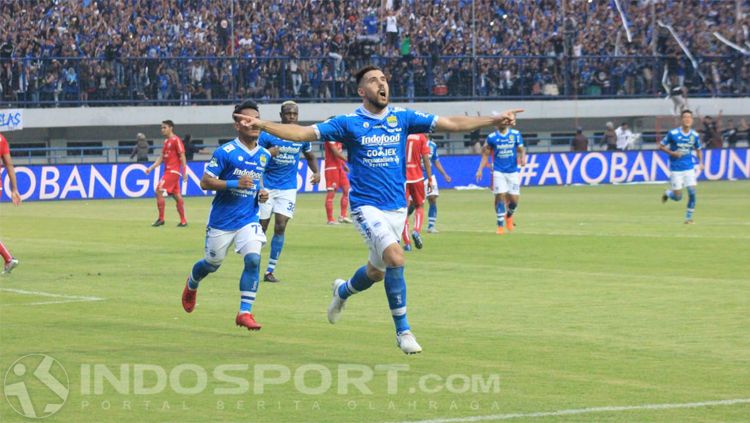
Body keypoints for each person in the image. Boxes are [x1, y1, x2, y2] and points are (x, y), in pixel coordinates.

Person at [233, 65, 522, 354]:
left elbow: (451, 123)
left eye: (383, 79)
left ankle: (342, 291)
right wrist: (263, 125)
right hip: (366, 207)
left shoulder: (402, 117)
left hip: (396, 209)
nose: (381, 84)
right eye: (373, 80)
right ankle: (403, 331)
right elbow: (301, 134)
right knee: (396, 258)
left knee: (376, 272)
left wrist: (494, 119)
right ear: (362, 91)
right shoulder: (348, 123)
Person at [181, 99, 272, 331]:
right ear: (237, 124)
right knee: (212, 264)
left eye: (256, 119)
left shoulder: (263, 155)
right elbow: (205, 182)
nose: (254, 123)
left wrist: (259, 193)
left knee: (253, 259)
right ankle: (192, 283)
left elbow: (256, 179)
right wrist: (235, 183)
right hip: (222, 221)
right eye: (248, 119)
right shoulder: (225, 152)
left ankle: (245, 312)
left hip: (248, 218)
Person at [257, 101, 320, 283]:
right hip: (267, 185)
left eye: (294, 114)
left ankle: (270, 270)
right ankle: (253, 262)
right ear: (281, 115)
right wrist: (269, 153)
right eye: (288, 114)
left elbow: (310, 156)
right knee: (261, 227)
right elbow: (255, 157)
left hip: (288, 187)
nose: (291, 117)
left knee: (281, 226)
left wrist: (316, 172)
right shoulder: (269, 133)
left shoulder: (302, 135)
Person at [475, 115, 526, 235]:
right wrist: (480, 169)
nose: (503, 123)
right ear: (497, 124)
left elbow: (521, 149)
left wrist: (522, 158)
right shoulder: (492, 137)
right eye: (500, 121)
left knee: (514, 200)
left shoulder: (515, 134)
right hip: (498, 171)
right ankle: (500, 226)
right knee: (500, 196)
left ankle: (509, 216)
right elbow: (486, 155)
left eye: (504, 121)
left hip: (512, 171)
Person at [659, 109, 703, 224]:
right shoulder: (673, 134)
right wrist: (672, 153)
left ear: (692, 120)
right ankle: (668, 193)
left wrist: (701, 162)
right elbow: (661, 146)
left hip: (689, 168)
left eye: (689, 117)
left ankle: (688, 218)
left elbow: (698, 149)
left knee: (692, 192)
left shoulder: (694, 135)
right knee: (678, 197)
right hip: (676, 169)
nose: (687, 119)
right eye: (685, 117)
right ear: (681, 119)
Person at [145, 120, 188, 227]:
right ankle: (183, 221)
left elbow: (182, 156)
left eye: (164, 127)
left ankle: (161, 219)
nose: (162, 130)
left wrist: (185, 171)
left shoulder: (176, 140)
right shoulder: (166, 142)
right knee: (177, 196)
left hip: (172, 171)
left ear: (171, 128)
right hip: (169, 171)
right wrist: (151, 168)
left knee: (158, 191)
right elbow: (161, 158)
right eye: (161, 128)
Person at [401, 133, 432, 251]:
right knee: (420, 205)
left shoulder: (403, 135)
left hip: (403, 178)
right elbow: (426, 159)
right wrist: (429, 179)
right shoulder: (422, 138)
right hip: (417, 177)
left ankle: (407, 243)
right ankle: (416, 231)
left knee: (403, 210)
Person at [0, 133, 21, 274]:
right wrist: (14, 189)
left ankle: (8, 258)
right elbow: (9, 164)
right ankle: (8, 259)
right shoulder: (1, 139)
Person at [424, 138, 451, 233]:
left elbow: (435, 161)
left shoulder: (432, 145)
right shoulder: (414, 141)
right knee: (413, 205)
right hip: (416, 176)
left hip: (429, 176)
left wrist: (444, 174)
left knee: (432, 198)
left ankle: (431, 226)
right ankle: (405, 224)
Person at [324, 139, 351, 225]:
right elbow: (336, 153)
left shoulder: (339, 141)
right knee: (331, 193)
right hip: (331, 168)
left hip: (339, 168)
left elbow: (338, 154)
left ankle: (343, 216)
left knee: (347, 190)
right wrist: (347, 160)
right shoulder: (330, 139)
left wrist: (343, 165)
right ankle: (330, 219)